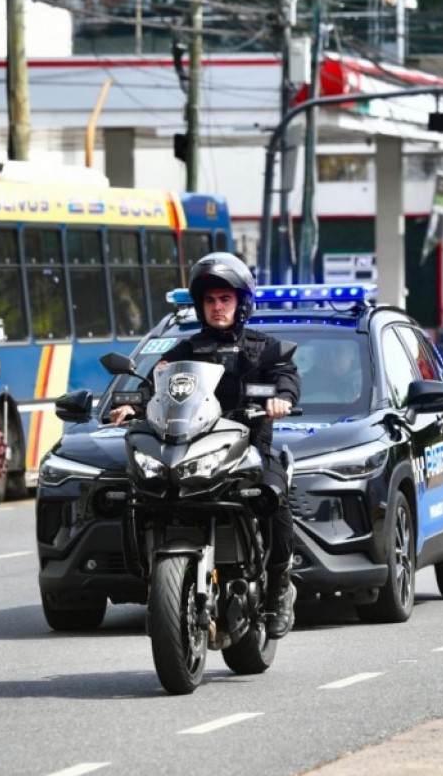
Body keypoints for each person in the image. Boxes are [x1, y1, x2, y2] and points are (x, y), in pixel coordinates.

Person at [109, 252, 301, 639]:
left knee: (271, 494)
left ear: (241, 303)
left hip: (249, 447)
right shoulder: (184, 350)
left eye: (225, 299)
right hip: (193, 449)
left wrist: (282, 398)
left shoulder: (265, 349)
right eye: (210, 300)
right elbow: (156, 385)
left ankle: (280, 586)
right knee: (132, 490)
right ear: (201, 306)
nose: (217, 307)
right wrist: (132, 403)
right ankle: (154, 577)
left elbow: (286, 378)